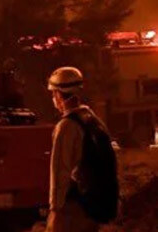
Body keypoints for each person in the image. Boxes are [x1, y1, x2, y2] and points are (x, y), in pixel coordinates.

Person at [46, 66, 117, 232]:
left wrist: (55, 210)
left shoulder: (66, 126)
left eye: (53, 93)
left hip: (76, 207)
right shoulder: (92, 120)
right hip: (97, 204)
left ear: (58, 95)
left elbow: (60, 171)